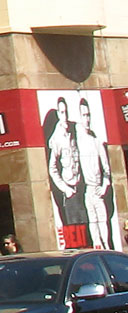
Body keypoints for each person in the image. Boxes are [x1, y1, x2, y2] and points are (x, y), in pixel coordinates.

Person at [44, 98, 86, 246]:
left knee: (87, 226)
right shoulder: (56, 139)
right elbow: (52, 168)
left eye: (66, 112)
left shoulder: (75, 130)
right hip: (70, 190)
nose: (65, 116)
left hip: (82, 187)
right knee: (75, 230)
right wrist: (66, 189)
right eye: (62, 112)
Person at [77, 99, 117, 249]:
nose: (86, 119)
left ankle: (107, 246)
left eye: (88, 115)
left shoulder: (97, 142)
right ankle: (97, 245)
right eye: (83, 115)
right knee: (92, 221)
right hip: (87, 189)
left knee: (102, 220)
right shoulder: (78, 141)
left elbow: (107, 168)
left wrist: (105, 185)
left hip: (97, 187)